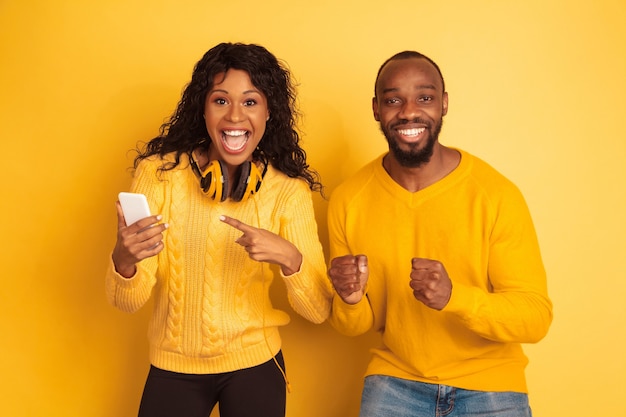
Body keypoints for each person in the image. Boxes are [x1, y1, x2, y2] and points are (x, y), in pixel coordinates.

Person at [105, 42, 333, 417]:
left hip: (256, 365)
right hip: (174, 367)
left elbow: (319, 310)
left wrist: (290, 259)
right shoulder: (158, 175)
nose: (235, 117)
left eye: (250, 102)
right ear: (204, 110)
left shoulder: (287, 192)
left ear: (268, 112)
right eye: (221, 101)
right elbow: (126, 301)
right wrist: (124, 260)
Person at [326, 50, 553, 417]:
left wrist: (455, 297)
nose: (409, 111)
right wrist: (350, 299)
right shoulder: (349, 198)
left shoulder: (494, 194)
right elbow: (355, 327)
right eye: (393, 100)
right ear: (376, 109)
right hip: (395, 381)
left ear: (443, 104)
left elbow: (535, 317)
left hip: (490, 385)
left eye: (425, 98)